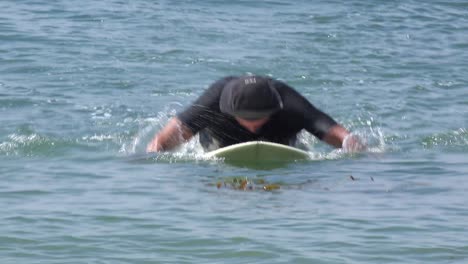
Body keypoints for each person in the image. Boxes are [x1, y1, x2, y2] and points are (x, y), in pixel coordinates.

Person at [146, 75, 365, 153]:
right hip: (221, 141)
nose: (253, 125)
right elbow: (163, 141)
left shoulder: (288, 102)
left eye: (259, 117)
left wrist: (362, 153)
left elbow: (339, 135)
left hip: (278, 138)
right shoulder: (214, 101)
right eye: (247, 118)